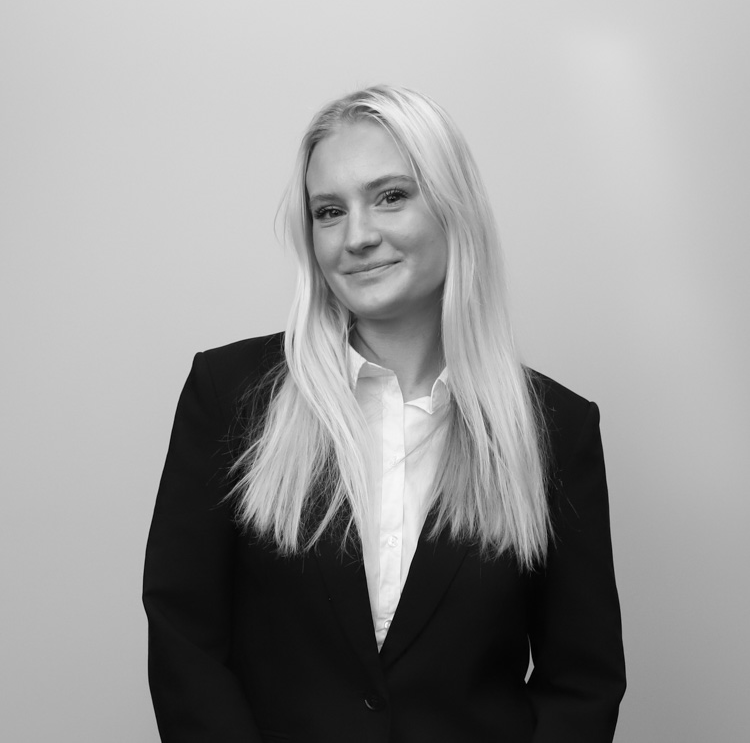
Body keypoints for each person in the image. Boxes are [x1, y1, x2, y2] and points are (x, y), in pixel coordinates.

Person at [143, 85, 626, 743]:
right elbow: (184, 636)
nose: (358, 237)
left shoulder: (555, 429)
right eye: (329, 211)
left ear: (453, 207)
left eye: (391, 196)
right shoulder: (230, 394)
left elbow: (582, 683)